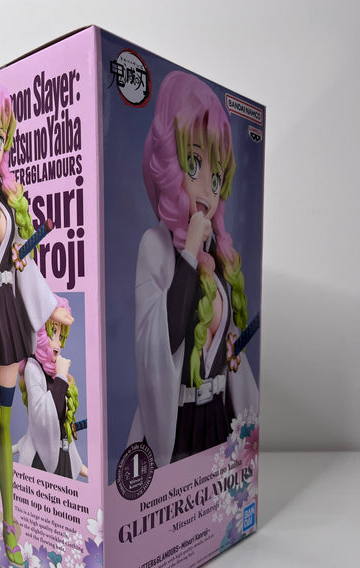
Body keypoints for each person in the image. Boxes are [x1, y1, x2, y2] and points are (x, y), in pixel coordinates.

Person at [0, 83, 73, 564]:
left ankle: (8, 523)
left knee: (4, 427)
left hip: (6, 315)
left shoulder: (5, 199)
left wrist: (49, 306)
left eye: (0, 139)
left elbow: (20, 262)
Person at [128, 71, 258, 468]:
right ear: (170, 165)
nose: (207, 189)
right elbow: (156, 342)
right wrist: (187, 253)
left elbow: (228, 350)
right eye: (194, 163)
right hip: (179, 427)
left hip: (218, 418)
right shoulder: (156, 245)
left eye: (216, 178)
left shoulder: (216, 253)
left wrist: (231, 353)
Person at [17, 296, 87, 480]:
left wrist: (78, 464)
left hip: (61, 458)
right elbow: (44, 417)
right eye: (52, 334)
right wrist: (62, 376)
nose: (57, 344)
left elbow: (61, 426)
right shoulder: (33, 368)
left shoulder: (50, 372)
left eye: (60, 336)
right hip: (43, 463)